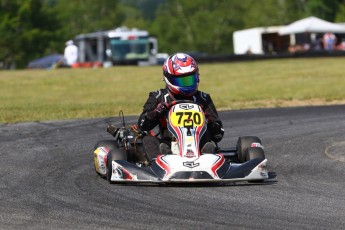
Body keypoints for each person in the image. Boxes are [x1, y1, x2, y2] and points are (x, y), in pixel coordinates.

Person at [138, 53, 224, 155]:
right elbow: (142, 125)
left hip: (199, 146)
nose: (187, 84)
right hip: (168, 146)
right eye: (182, 80)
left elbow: (218, 135)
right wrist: (155, 113)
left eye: (190, 79)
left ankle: (207, 155)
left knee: (209, 143)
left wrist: (209, 121)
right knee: (148, 140)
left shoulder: (203, 98)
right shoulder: (158, 97)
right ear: (168, 78)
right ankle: (158, 163)